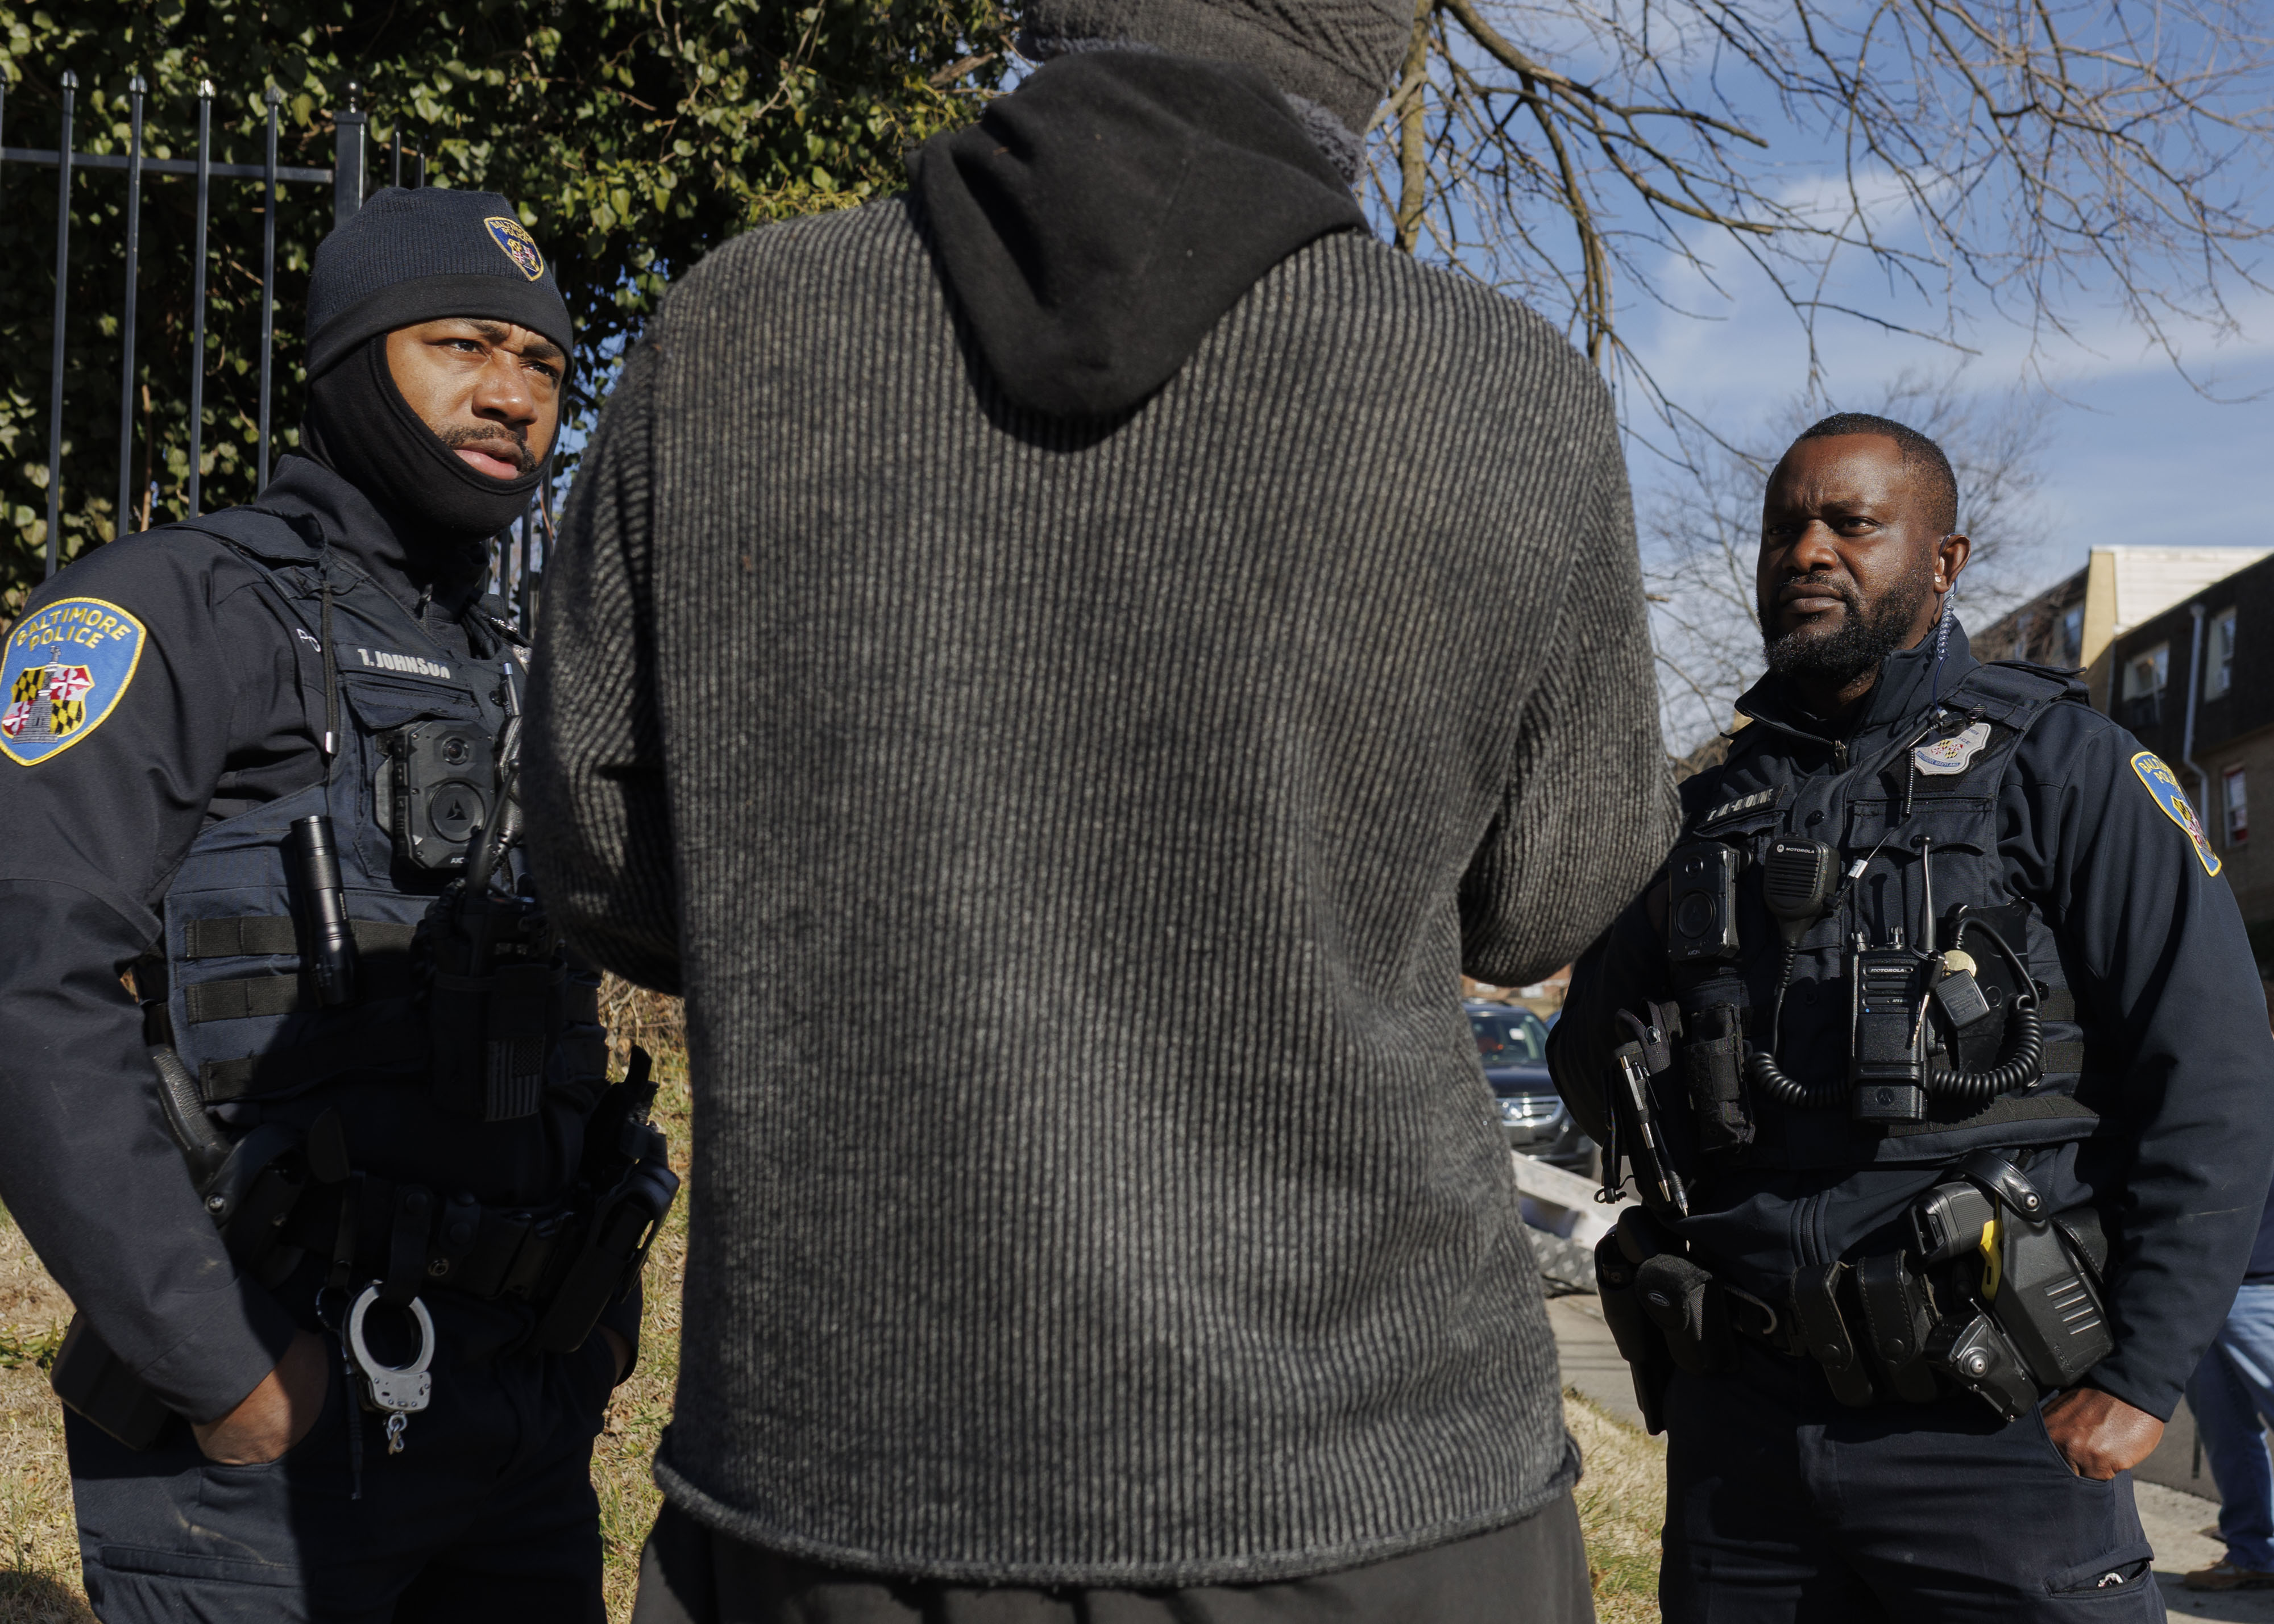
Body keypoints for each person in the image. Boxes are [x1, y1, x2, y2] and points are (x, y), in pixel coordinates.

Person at [522, 0, 1670, 1617]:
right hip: (1366, 1485)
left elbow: (602, 863)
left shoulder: (735, 333)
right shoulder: (1498, 389)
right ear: (1369, 49)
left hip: (846, 1468)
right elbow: (1550, 894)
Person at [0, 186, 666, 1622]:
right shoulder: (171, 611)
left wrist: (589, 1338)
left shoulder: (522, 665)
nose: (512, 395)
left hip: (518, 1423)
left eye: (544, 365)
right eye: (462, 345)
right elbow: (27, 985)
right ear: (355, 358)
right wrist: (222, 1368)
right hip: (266, 1441)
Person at [1549, 411, 2274, 1621]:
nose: (1807, 552)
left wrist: (2144, 1374)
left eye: (1851, 523)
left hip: (1993, 1425)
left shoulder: (2068, 768)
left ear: (1943, 561)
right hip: (1746, 1436)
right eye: (1785, 528)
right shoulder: (1703, 810)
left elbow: (2211, 1075)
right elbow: (1590, 1069)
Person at [2181, 981, 2274, 1592]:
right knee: (2225, 1430)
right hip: (2202, 1286)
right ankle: (2253, 1552)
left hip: (2259, 1284)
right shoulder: (2214, 1072)